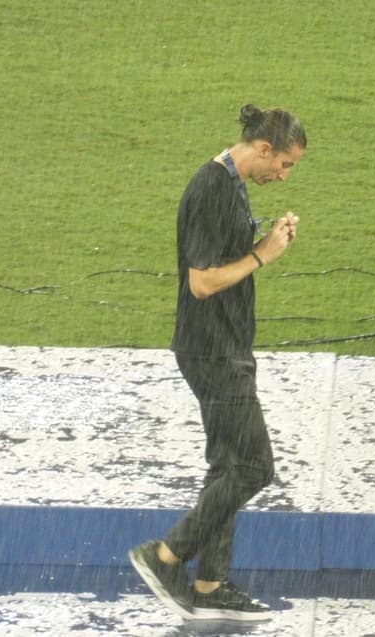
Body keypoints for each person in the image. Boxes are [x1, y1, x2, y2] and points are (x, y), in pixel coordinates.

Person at [129, 104, 306, 621]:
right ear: (265, 148)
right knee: (253, 467)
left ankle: (208, 584)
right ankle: (165, 556)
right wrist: (263, 255)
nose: (285, 174)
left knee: (228, 466)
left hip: (222, 347)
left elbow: (221, 262)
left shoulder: (232, 184)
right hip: (214, 352)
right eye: (287, 164)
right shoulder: (211, 188)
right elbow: (202, 282)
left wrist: (263, 242)